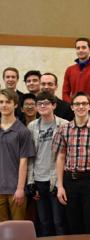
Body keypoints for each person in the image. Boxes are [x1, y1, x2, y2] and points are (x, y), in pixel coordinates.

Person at [52, 92, 90, 234]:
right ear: (72, 107)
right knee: (73, 223)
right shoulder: (63, 129)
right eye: (77, 104)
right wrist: (59, 186)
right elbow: (60, 157)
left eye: (84, 103)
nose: (81, 107)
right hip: (70, 181)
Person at [27, 92, 68, 236]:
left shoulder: (64, 124)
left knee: (59, 221)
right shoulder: (32, 126)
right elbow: (30, 156)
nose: (42, 106)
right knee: (44, 222)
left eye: (46, 103)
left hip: (56, 179)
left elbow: (66, 155)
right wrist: (31, 181)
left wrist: (61, 182)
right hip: (39, 179)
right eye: (39, 103)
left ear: (54, 105)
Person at [0, 89, 35, 221]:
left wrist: (20, 188)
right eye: (1, 102)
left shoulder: (23, 131)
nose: (4, 105)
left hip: (16, 190)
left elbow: (24, 162)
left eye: (8, 102)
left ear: (15, 105)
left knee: (18, 229)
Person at [62, 37, 90, 103]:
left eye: (84, 47)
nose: (80, 50)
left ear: (89, 49)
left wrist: (89, 105)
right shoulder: (69, 70)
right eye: (78, 48)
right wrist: (72, 105)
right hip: (74, 109)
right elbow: (65, 93)